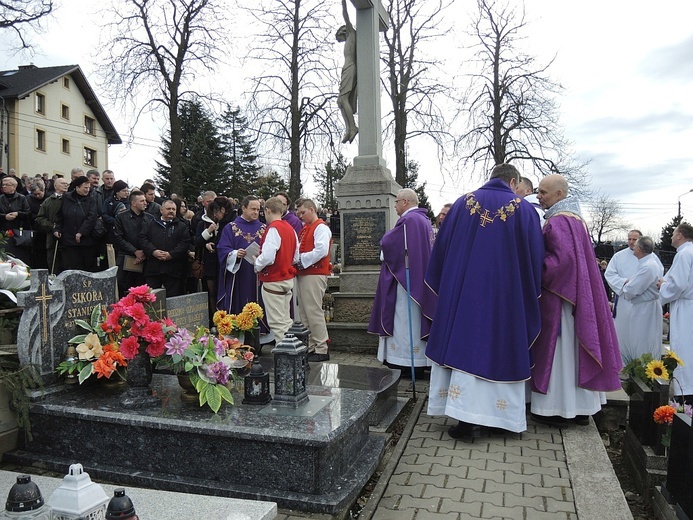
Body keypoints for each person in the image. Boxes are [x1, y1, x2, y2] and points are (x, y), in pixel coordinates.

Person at [425, 164, 543, 438]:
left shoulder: (460, 205)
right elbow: (534, 258)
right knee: (502, 346)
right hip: (507, 296)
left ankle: (464, 418)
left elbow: (440, 250)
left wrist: (451, 282)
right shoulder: (524, 209)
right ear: (513, 182)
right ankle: (501, 419)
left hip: (463, 293)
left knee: (464, 345)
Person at [530, 174, 622, 426]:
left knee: (560, 353)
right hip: (576, 298)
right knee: (575, 351)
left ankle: (556, 409)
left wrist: (534, 268)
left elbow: (561, 262)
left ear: (559, 194)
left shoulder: (558, 222)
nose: (539, 196)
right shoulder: (576, 220)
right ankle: (581, 409)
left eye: (543, 192)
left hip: (560, 299)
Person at [369, 188, 435, 375]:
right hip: (418, 280)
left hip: (406, 284)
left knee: (404, 320)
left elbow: (388, 244)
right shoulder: (424, 221)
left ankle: (404, 361)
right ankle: (418, 360)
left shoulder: (409, 220)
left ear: (405, 202)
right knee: (412, 320)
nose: (395, 206)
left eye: (396, 202)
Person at [605, 230, 663, 364]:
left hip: (642, 302)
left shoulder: (651, 260)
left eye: (634, 240)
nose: (631, 242)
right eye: (629, 239)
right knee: (624, 334)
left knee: (641, 337)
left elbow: (656, 278)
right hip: (625, 300)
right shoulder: (619, 256)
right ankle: (624, 362)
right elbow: (610, 274)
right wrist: (624, 282)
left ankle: (641, 365)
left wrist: (631, 286)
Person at [253, 197, 299, 343]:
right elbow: (296, 257)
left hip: (273, 280)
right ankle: (294, 353)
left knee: (278, 324)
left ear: (267, 210)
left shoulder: (273, 229)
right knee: (286, 320)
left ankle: (286, 359)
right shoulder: (290, 228)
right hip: (287, 279)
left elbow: (268, 257)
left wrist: (256, 264)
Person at [659, 223, 693, 403]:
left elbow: (678, 284)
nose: (671, 237)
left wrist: (662, 287)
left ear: (680, 235)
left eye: (673, 233)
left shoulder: (684, 254)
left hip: (686, 308)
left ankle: (684, 395)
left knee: (684, 350)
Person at [217, 196, 267, 316]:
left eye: (258, 209)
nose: (256, 212)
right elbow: (222, 248)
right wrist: (234, 253)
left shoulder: (264, 228)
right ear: (243, 208)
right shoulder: (230, 227)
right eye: (253, 209)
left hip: (256, 273)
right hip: (238, 273)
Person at [296, 199, 332, 362]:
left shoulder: (321, 227)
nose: (300, 216)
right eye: (298, 213)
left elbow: (321, 250)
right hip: (304, 272)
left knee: (313, 311)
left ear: (312, 209)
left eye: (303, 212)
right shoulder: (305, 229)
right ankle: (311, 346)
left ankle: (321, 347)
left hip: (314, 273)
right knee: (304, 312)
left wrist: (300, 259)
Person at [620, 236, 664, 362]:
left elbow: (632, 290)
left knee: (642, 340)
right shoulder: (647, 263)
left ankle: (644, 373)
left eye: (635, 245)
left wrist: (627, 285)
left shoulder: (647, 266)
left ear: (639, 249)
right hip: (644, 307)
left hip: (645, 309)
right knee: (640, 339)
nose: (632, 246)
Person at [139, 199, 191, 297]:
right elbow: (143, 239)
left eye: (173, 209)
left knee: (173, 298)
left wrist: (171, 254)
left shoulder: (182, 226)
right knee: (151, 299)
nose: (171, 211)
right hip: (153, 268)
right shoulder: (151, 223)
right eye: (168, 209)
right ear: (161, 210)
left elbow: (184, 243)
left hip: (173, 269)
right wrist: (153, 251)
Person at [196, 197, 233, 327]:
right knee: (211, 292)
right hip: (210, 262)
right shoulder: (203, 223)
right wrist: (208, 233)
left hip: (222, 261)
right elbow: (197, 242)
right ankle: (213, 322)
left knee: (222, 290)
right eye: (218, 211)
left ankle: (225, 319)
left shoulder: (227, 224)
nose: (220, 214)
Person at [53, 176, 99, 272]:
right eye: (85, 188)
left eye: (88, 188)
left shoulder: (91, 199)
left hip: (87, 241)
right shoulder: (66, 198)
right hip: (69, 240)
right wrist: (57, 229)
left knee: (87, 267)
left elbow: (92, 217)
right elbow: (60, 215)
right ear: (77, 188)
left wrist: (81, 232)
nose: (87, 190)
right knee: (71, 267)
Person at [114, 190, 152, 296]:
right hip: (125, 256)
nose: (145, 203)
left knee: (141, 288)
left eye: (145, 200)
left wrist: (143, 252)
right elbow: (118, 237)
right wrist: (135, 251)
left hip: (145, 257)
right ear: (133, 203)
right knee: (123, 286)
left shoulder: (150, 218)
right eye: (142, 201)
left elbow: (152, 237)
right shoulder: (121, 217)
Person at [35, 176, 69, 273]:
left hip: (69, 239)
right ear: (55, 186)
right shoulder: (48, 201)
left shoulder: (71, 199)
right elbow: (40, 218)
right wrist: (52, 226)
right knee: (54, 266)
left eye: (66, 183)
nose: (65, 185)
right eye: (62, 183)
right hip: (52, 240)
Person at [336, 0, 357, 144]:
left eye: (339, 38)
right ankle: (349, 128)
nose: (341, 41)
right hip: (346, 69)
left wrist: (343, 2)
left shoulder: (351, 32)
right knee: (340, 101)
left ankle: (353, 127)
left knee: (343, 99)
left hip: (350, 68)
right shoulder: (349, 38)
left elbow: (345, 14)